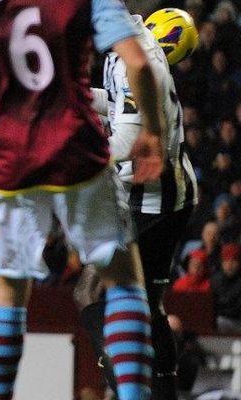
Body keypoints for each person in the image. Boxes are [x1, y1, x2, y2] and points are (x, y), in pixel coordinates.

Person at [0, 1, 165, 399]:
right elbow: (140, 64)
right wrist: (152, 130)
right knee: (123, 280)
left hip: (5, 161)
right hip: (76, 151)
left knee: (7, 291)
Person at [74, 9, 199, 399]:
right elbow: (117, 104)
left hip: (150, 201)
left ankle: (128, 392)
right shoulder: (131, 44)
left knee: (90, 293)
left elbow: (128, 140)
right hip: (173, 194)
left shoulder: (130, 56)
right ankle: (163, 393)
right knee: (150, 303)